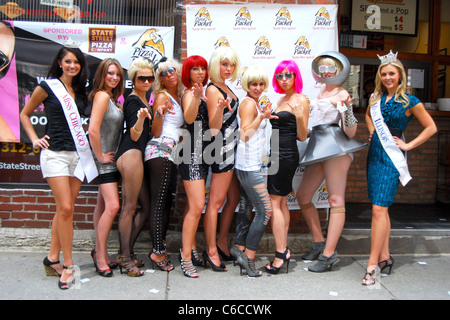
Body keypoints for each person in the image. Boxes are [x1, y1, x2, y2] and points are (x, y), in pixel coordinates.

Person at [20, 46, 93, 289]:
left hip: (77, 156)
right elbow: (24, 114)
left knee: (65, 211)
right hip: (54, 156)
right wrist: (34, 138)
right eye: (68, 61)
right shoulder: (48, 87)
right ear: (60, 63)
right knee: (65, 207)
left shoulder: (81, 92)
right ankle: (69, 264)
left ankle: (52, 259)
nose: (72, 65)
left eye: (77, 62)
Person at [363, 51, 437, 285]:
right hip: (375, 154)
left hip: (392, 157)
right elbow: (367, 116)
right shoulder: (375, 98)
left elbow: (431, 127)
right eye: (384, 74)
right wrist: (371, 131)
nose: (387, 77)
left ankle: (372, 264)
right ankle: (385, 257)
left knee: (378, 209)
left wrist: (409, 144)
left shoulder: (410, 101)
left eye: (391, 73)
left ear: (400, 76)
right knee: (380, 209)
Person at [296, 51, 366, 273]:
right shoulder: (320, 92)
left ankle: (329, 254)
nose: (326, 72)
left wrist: (346, 109)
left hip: (336, 147)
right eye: (323, 68)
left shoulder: (342, 94)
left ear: (340, 70)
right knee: (303, 196)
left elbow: (351, 130)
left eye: (331, 69)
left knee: (336, 200)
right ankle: (319, 242)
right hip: (318, 146)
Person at [232, 66, 277, 277]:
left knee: (246, 206)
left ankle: (239, 249)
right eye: (253, 84)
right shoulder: (249, 103)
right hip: (249, 166)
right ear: (246, 85)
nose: (258, 88)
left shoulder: (254, 102)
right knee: (265, 211)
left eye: (261, 84)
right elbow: (245, 135)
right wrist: (262, 118)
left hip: (250, 164)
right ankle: (248, 259)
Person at [265, 60, 309, 275]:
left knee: (275, 202)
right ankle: (284, 250)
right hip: (275, 154)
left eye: (288, 75)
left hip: (286, 155)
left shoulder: (301, 99)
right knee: (280, 202)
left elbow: (302, 135)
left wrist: (300, 117)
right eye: (280, 76)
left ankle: (280, 253)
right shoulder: (282, 99)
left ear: (295, 76)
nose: (284, 80)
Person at [143, 57, 184, 272]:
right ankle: (157, 252)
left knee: (166, 201)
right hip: (160, 149)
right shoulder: (161, 96)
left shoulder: (179, 96)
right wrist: (158, 115)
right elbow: (156, 131)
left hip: (171, 152)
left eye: (171, 70)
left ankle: (160, 247)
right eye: (162, 73)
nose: (168, 75)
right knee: (159, 202)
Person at [115, 57, 154, 277]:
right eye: (142, 78)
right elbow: (134, 133)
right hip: (130, 154)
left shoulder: (144, 98)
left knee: (145, 208)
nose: (147, 81)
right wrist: (140, 119)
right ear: (134, 79)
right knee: (128, 208)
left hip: (136, 156)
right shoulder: (133, 102)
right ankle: (125, 257)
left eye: (150, 78)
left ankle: (125, 252)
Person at [203, 46, 240, 271]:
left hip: (232, 149)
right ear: (216, 65)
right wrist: (219, 109)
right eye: (224, 64)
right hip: (222, 149)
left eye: (231, 64)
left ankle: (222, 241)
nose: (228, 68)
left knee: (233, 199)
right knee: (215, 202)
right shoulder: (214, 89)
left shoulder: (226, 87)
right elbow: (213, 128)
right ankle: (211, 251)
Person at [88, 58, 124, 277]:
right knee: (113, 207)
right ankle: (100, 256)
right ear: (102, 74)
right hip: (105, 162)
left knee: (102, 206)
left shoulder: (111, 98)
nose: (114, 77)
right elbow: (92, 130)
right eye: (110, 73)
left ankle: (100, 252)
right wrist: (100, 156)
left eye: (118, 74)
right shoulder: (102, 96)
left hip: (111, 160)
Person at [178, 55, 209, 278]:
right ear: (187, 72)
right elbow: (189, 119)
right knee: (198, 206)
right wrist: (197, 97)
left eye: (202, 68)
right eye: (195, 68)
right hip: (191, 154)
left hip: (205, 153)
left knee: (194, 206)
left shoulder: (203, 93)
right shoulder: (189, 93)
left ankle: (193, 249)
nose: (199, 72)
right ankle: (185, 256)